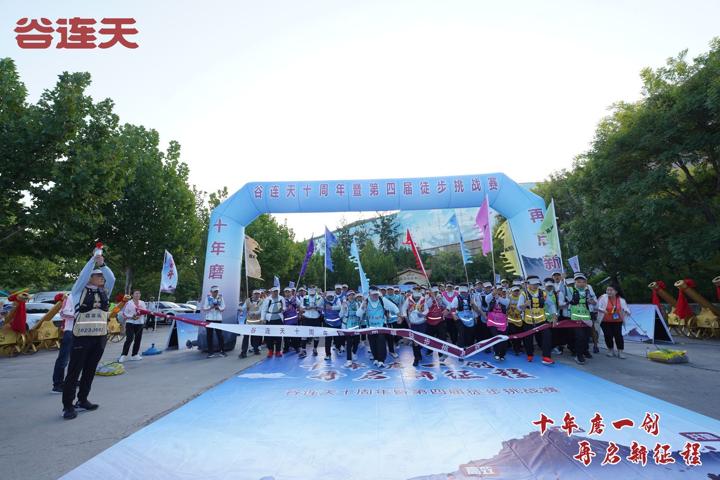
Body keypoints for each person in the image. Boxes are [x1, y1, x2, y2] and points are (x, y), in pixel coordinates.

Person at [62, 254, 115, 420]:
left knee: (90, 371)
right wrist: (93, 260)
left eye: (101, 275)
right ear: (89, 278)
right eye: (98, 275)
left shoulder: (105, 291)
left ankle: (83, 399)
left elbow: (112, 278)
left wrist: (102, 264)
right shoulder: (78, 291)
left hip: (99, 338)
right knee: (74, 372)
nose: (102, 278)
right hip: (81, 337)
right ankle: (68, 406)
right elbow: (83, 275)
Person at [357, 286, 399, 368]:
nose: (375, 296)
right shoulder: (366, 301)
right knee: (372, 343)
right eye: (373, 294)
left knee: (381, 343)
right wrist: (362, 307)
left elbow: (393, 307)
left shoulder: (382, 300)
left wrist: (399, 315)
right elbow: (358, 314)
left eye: (376, 294)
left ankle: (381, 360)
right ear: (369, 294)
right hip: (370, 327)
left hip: (381, 326)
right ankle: (376, 358)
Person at [522, 276, 554, 365]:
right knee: (528, 339)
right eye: (533, 284)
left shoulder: (543, 293)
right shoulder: (524, 294)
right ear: (528, 284)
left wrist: (554, 314)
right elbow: (519, 307)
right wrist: (525, 305)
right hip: (528, 321)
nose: (535, 286)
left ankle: (546, 357)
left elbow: (551, 304)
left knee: (547, 336)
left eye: (536, 284)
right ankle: (529, 354)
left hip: (541, 320)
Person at [567, 272, 596, 365]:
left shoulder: (588, 290)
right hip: (576, 318)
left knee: (586, 337)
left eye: (583, 282)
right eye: (578, 282)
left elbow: (595, 302)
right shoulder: (570, 290)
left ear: (586, 282)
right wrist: (562, 279)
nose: (581, 283)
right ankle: (578, 355)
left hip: (587, 318)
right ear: (575, 282)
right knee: (580, 337)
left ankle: (584, 351)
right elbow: (562, 291)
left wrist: (592, 302)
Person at [597, 284, 630, 359]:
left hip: (617, 321)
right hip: (605, 321)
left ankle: (620, 352)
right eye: (607, 290)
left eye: (611, 290)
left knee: (618, 336)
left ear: (616, 291)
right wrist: (603, 310)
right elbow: (597, 306)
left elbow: (626, 308)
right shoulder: (603, 297)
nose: (608, 291)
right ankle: (610, 350)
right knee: (608, 335)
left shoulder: (621, 300)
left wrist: (627, 312)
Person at [51, 293, 74, 393]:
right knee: (63, 359)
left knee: (76, 359)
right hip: (70, 331)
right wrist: (79, 315)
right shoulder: (71, 297)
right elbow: (64, 313)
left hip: (79, 332)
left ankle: (71, 381)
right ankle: (57, 384)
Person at [401, 285, 428, 366]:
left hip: (422, 323)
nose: (417, 291)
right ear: (413, 291)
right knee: (415, 341)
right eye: (415, 289)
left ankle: (419, 353)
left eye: (418, 290)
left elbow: (427, 309)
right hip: (413, 324)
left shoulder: (423, 299)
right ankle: (416, 358)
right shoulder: (408, 299)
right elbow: (403, 309)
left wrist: (423, 314)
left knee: (421, 340)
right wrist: (406, 318)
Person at [119, 290, 147, 362]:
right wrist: (132, 316)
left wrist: (140, 315)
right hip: (130, 323)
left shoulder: (142, 302)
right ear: (132, 295)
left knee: (138, 339)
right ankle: (123, 355)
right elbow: (124, 313)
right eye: (136, 293)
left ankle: (135, 354)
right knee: (129, 338)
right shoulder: (128, 303)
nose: (138, 295)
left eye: (139, 293)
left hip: (140, 323)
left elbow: (145, 311)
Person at [425, 287, 449, 363]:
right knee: (430, 337)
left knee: (442, 337)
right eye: (433, 292)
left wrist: (447, 309)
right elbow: (426, 306)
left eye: (436, 292)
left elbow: (449, 304)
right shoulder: (427, 297)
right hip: (430, 321)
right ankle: (430, 350)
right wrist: (432, 298)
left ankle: (441, 354)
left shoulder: (441, 297)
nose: (435, 293)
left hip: (440, 321)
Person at [203, 286, 226, 358]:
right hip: (209, 319)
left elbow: (223, 307)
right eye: (215, 291)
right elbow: (204, 308)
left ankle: (222, 351)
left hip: (218, 319)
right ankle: (210, 352)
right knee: (209, 336)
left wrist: (218, 308)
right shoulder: (208, 298)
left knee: (220, 336)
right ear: (211, 292)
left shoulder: (220, 297)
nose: (216, 293)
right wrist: (211, 307)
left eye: (217, 291)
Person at [299, 287, 324, 358]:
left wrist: (316, 308)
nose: (312, 290)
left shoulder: (319, 297)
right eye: (310, 289)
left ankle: (315, 349)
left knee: (316, 335)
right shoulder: (305, 297)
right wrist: (307, 308)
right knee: (304, 335)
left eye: (313, 289)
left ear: (315, 290)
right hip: (307, 318)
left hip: (316, 319)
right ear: (308, 290)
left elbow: (322, 307)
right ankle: (303, 350)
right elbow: (301, 308)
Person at [486, 287, 509, 360]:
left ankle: (502, 354)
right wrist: (493, 294)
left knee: (503, 338)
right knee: (496, 337)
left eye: (501, 290)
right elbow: (487, 299)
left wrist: (498, 297)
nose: (499, 291)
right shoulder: (490, 298)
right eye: (498, 290)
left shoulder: (506, 298)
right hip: (492, 322)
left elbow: (506, 303)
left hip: (502, 322)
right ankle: (496, 352)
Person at [262, 286, 286, 358]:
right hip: (270, 319)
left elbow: (284, 307)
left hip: (279, 319)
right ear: (271, 292)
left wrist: (283, 309)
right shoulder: (267, 299)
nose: (276, 293)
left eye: (277, 291)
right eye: (274, 291)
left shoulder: (281, 298)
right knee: (269, 336)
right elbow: (264, 309)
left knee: (279, 336)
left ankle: (278, 351)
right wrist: (263, 318)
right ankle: (270, 351)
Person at [341, 290, 362, 367]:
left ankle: (354, 353)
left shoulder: (358, 303)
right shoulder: (344, 304)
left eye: (353, 295)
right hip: (347, 326)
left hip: (356, 325)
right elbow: (341, 314)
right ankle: (349, 360)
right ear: (347, 296)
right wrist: (344, 310)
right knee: (349, 343)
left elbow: (360, 314)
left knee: (357, 341)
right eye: (350, 295)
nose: (351, 296)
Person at [240, 290, 263, 358]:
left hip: (257, 322)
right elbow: (243, 308)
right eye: (255, 294)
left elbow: (260, 310)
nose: (256, 295)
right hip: (248, 322)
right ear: (252, 294)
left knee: (256, 337)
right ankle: (243, 352)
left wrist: (253, 313)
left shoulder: (262, 301)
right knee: (246, 337)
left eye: (258, 294)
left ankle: (256, 349)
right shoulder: (248, 300)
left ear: (260, 295)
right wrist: (243, 309)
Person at [322, 290, 342, 361]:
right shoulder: (324, 300)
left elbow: (340, 307)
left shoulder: (337, 299)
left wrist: (331, 307)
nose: (330, 297)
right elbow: (318, 305)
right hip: (327, 323)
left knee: (337, 339)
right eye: (328, 296)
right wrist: (322, 297)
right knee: (328, 340)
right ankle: (328, 354)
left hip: (337, 323)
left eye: (331, 296)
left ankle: (338, 348)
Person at [506, 285, 525, 356]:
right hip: (510, 320)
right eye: (515, 291)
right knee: (514, 334)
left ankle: (518, 347)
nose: (516, 292)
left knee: (520, 335)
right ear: (512, 291)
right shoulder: (509, 297)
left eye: (517, 291)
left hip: (519, 320)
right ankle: (516, 349)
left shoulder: (521, 297)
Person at [281, 287, 301, 355]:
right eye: (286, 292)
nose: (287, 293)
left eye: (288, 292)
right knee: (286, 335)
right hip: (286, 320)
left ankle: (296, 347)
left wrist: (299, 314)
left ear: (291, 292)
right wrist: (285, 309)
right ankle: (286, 348)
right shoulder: (282, 299)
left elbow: (299, 306)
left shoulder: (295, 298)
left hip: (294, 320)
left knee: (294, 335)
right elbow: (280, 309)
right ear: (284, 293)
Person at [456, 286, 475, 351]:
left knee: (470, 332)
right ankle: (460, 347)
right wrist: (456, 318)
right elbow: (452, 308)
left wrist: (473, 304)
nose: (463, 294)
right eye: (462, 292)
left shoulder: (470, 298)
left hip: (470, 317)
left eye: (464, 292)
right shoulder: (456, 299)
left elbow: (474, 308)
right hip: (460, 317)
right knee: (461, 333)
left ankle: (470, 346)